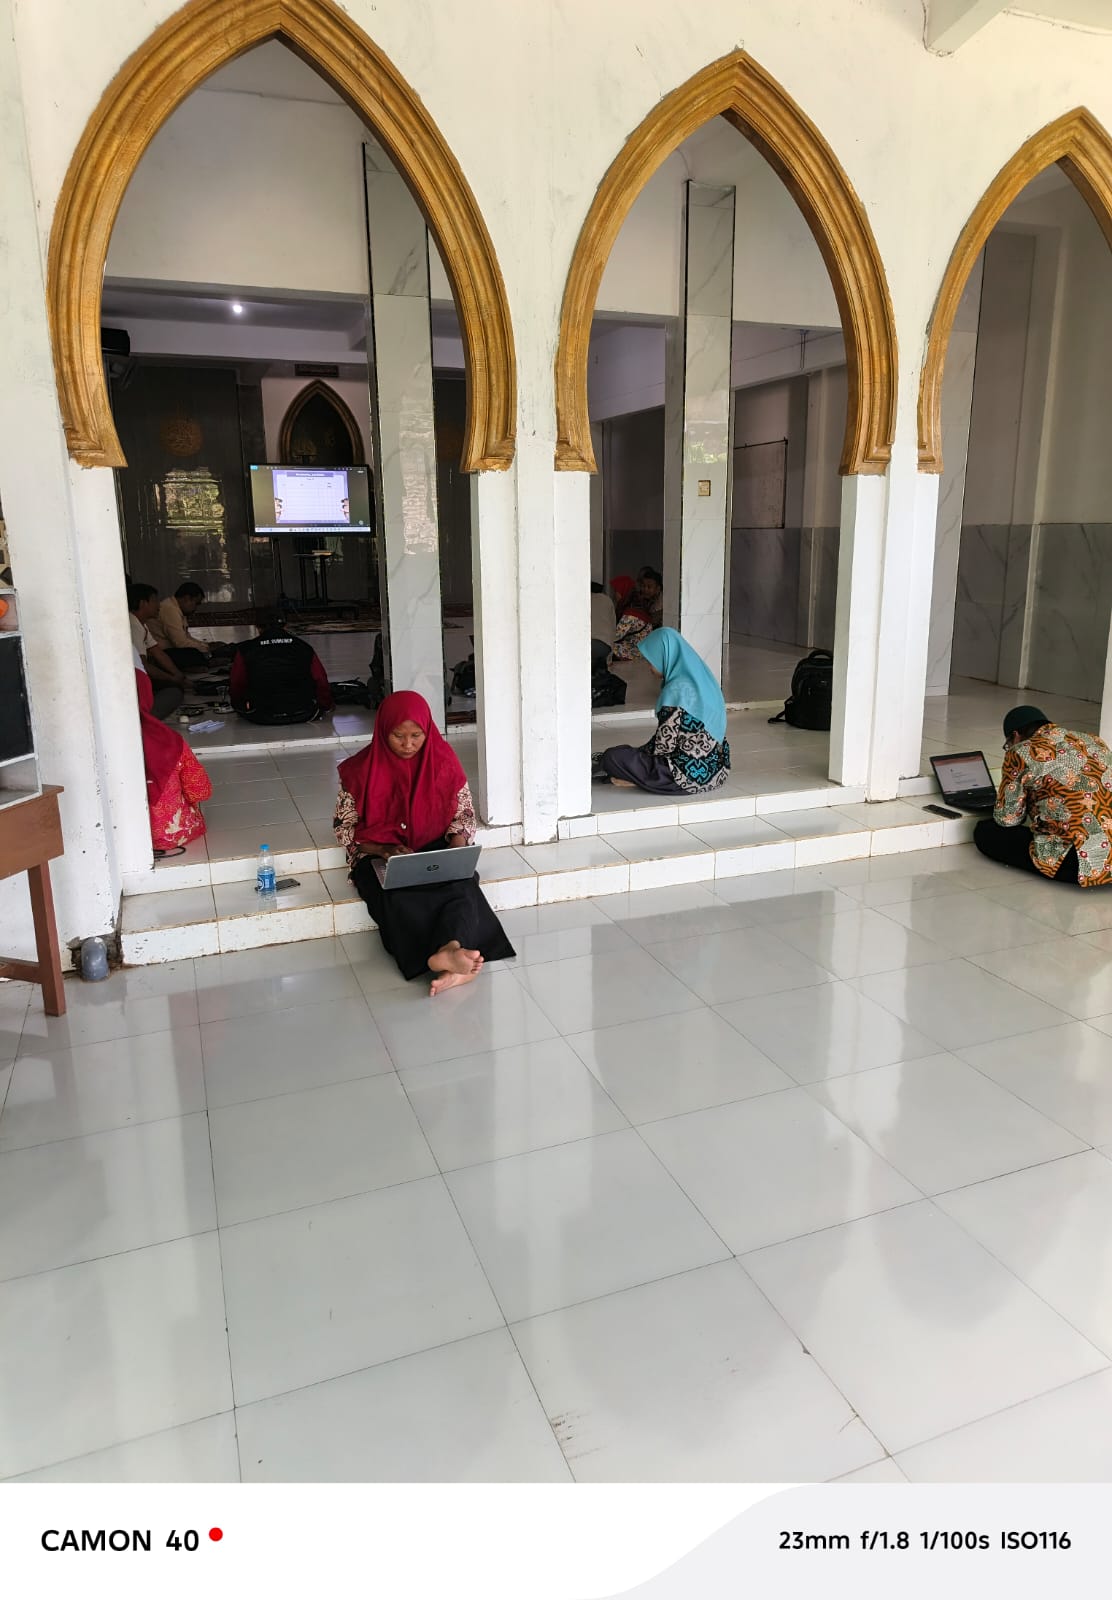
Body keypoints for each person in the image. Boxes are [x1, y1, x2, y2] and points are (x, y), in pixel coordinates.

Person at [333, 691, 515, 994]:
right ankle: (450, 961)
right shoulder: (359, 771)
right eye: (398, 736)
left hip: (433, 844)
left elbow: (463, 815)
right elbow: (344, 829)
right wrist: (383, 849)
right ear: (383, 731)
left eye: (416, 735)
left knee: (462, 885)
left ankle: (450, 951)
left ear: (428, 730)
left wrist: (456, 848)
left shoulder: (443, 761)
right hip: (378, 852)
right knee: (397, 895)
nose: (408, 744)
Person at [973, 705, 1112, 885]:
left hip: (1082, 862)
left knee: (986, 832)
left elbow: (1008, 819)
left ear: (1015, 735)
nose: (1010, 748)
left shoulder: (1021, 751)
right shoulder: (1093, 740)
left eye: (1008, 744)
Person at [593, 627, 730, 793]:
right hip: (716, 772)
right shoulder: (704, 682)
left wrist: (637, 755)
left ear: (665, 657)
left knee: (613, 757)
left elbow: (664, 747)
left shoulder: (676, 691)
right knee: (630, 752)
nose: (649, 667)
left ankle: (636, 779)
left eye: (651, 661)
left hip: (684, 778)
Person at [136, 667, 212, 853]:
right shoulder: (169, 741)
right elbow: (200, 791)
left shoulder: (92, 746)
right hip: (170, 834)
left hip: (120, 840)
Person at [229, 613, 334, 724]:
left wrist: (238, 704)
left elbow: (237, 683)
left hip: (261, 715)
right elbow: (321, 680)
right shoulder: (304, 647)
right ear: (285, 626)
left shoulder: (246, 649)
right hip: (304, 712)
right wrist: (326, 704)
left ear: (258, 627)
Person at [127, 581, 188, 720]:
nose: (159, 605)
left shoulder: (141, 624)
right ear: (143, 603)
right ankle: (146, 718)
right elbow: (144, 666)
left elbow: (158, 652)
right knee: (174, 691)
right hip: (134, 679)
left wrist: (179, 676)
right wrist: (172, 678)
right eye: (155, 601)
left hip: (141, 676)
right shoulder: (133, 626)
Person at [150, 581, 232, 671]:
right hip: (163, 654)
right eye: (196, 604)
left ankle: (209, 659)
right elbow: (181, 643)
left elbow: (186, 637)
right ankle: (207, 661)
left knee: (205, 650)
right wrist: (207, 648)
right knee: (193, 653)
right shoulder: (169, 609)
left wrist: (206, 645)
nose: (195, 608)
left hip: (170, 651)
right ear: (187, 598)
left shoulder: (177, 609)